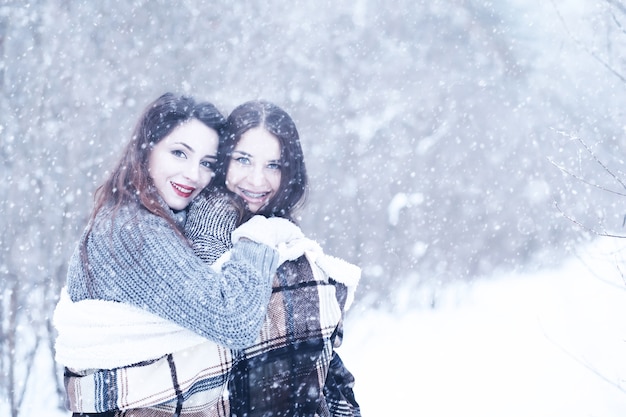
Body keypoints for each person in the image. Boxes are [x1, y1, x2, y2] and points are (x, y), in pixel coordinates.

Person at [53, 93, 307, 416]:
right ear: (145, 150)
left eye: (206, 164)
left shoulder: (149, 215)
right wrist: (258, 237)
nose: (192, 174)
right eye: (179, 153)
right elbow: (235, 321)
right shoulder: (132, 231)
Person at [185, 100, 361, 416]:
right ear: (223, 159)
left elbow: (318, 351)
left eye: (273, 165)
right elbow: (224, 321)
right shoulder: (214, 214)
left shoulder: (272, 222)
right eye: (243, 160)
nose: (256, 180)